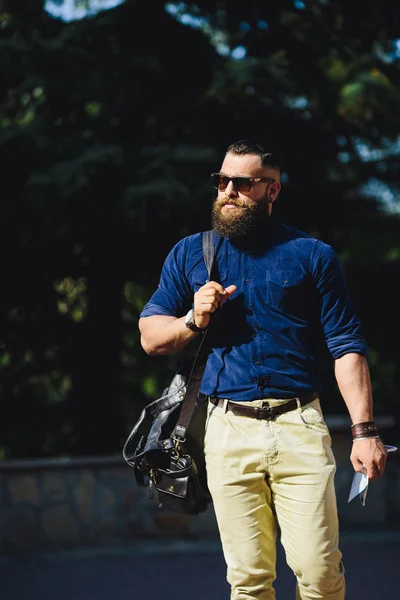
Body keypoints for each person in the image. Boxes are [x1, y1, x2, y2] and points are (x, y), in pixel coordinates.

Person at [138, 137, 387, 599]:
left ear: (271, 191)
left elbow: (346, 345)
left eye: (241, 183)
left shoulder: (312, 255)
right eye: (221, 181)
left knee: (319, 573)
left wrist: (364, 429)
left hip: (300, 425)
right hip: (228, 429)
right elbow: (151, 338)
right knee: (248, 581)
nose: (227, 191)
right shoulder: (192, 253)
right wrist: (194, 318)